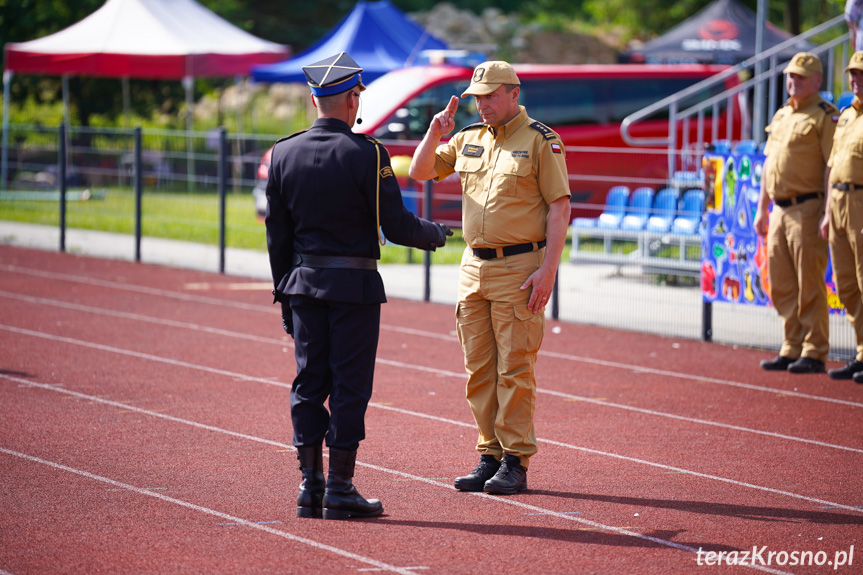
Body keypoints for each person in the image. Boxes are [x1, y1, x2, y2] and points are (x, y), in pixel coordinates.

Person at [265, 52, 452, 520]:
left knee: (309, 381)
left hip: (303, 285)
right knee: (350, 386)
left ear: (314, 100)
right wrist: (433, 233)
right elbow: (397, 225)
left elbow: (277, 236)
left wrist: (283, 292)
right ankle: (341, 489)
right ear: (353, 98)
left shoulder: (284, 153)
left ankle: (310, 487)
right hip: (355, 287)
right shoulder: (368, 153)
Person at [409, 61, 571, 495]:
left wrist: (548, 271)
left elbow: (559, 208)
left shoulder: (541, 141)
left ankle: (516, 460)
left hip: (520, 268)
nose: (482, 104)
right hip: (473, 267)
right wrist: (436, 132)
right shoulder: (466, 138)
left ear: (514, 94)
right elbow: (420, 172)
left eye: (491, 95)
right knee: (478, 369)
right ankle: (490, 455)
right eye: (478, 96)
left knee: (515, 367)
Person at [753, 52, 837, 374]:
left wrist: (827, 211)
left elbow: (832, 167)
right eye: (791, 76)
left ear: (817, 81)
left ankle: (814, 350)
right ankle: (791, 345)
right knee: (782, 282)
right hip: (778, 210)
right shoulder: (781, 115)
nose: (793, 81)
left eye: (801, 77)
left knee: (810, 282)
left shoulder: (825, 117)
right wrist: (762, 207)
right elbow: (767, 164)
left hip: (807, 208)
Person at [824, 51, 863, 383]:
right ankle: (862, 351)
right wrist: (826, 212)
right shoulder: (847, 115)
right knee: (846, 284)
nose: (855, 79)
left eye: (861, 74)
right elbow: (831, 165)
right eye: (852, 73)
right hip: (836, 201)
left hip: (861, 202)